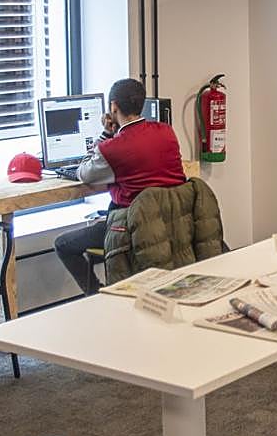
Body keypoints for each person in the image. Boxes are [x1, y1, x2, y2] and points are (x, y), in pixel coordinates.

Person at [54, 78, 186, 293]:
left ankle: (96, 295)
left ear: (113, 107)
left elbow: (84, 173)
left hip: (130, 228)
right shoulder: (166, 132)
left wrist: (106, 134)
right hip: (172, 222)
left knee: (63, 244)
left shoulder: (113, 149)